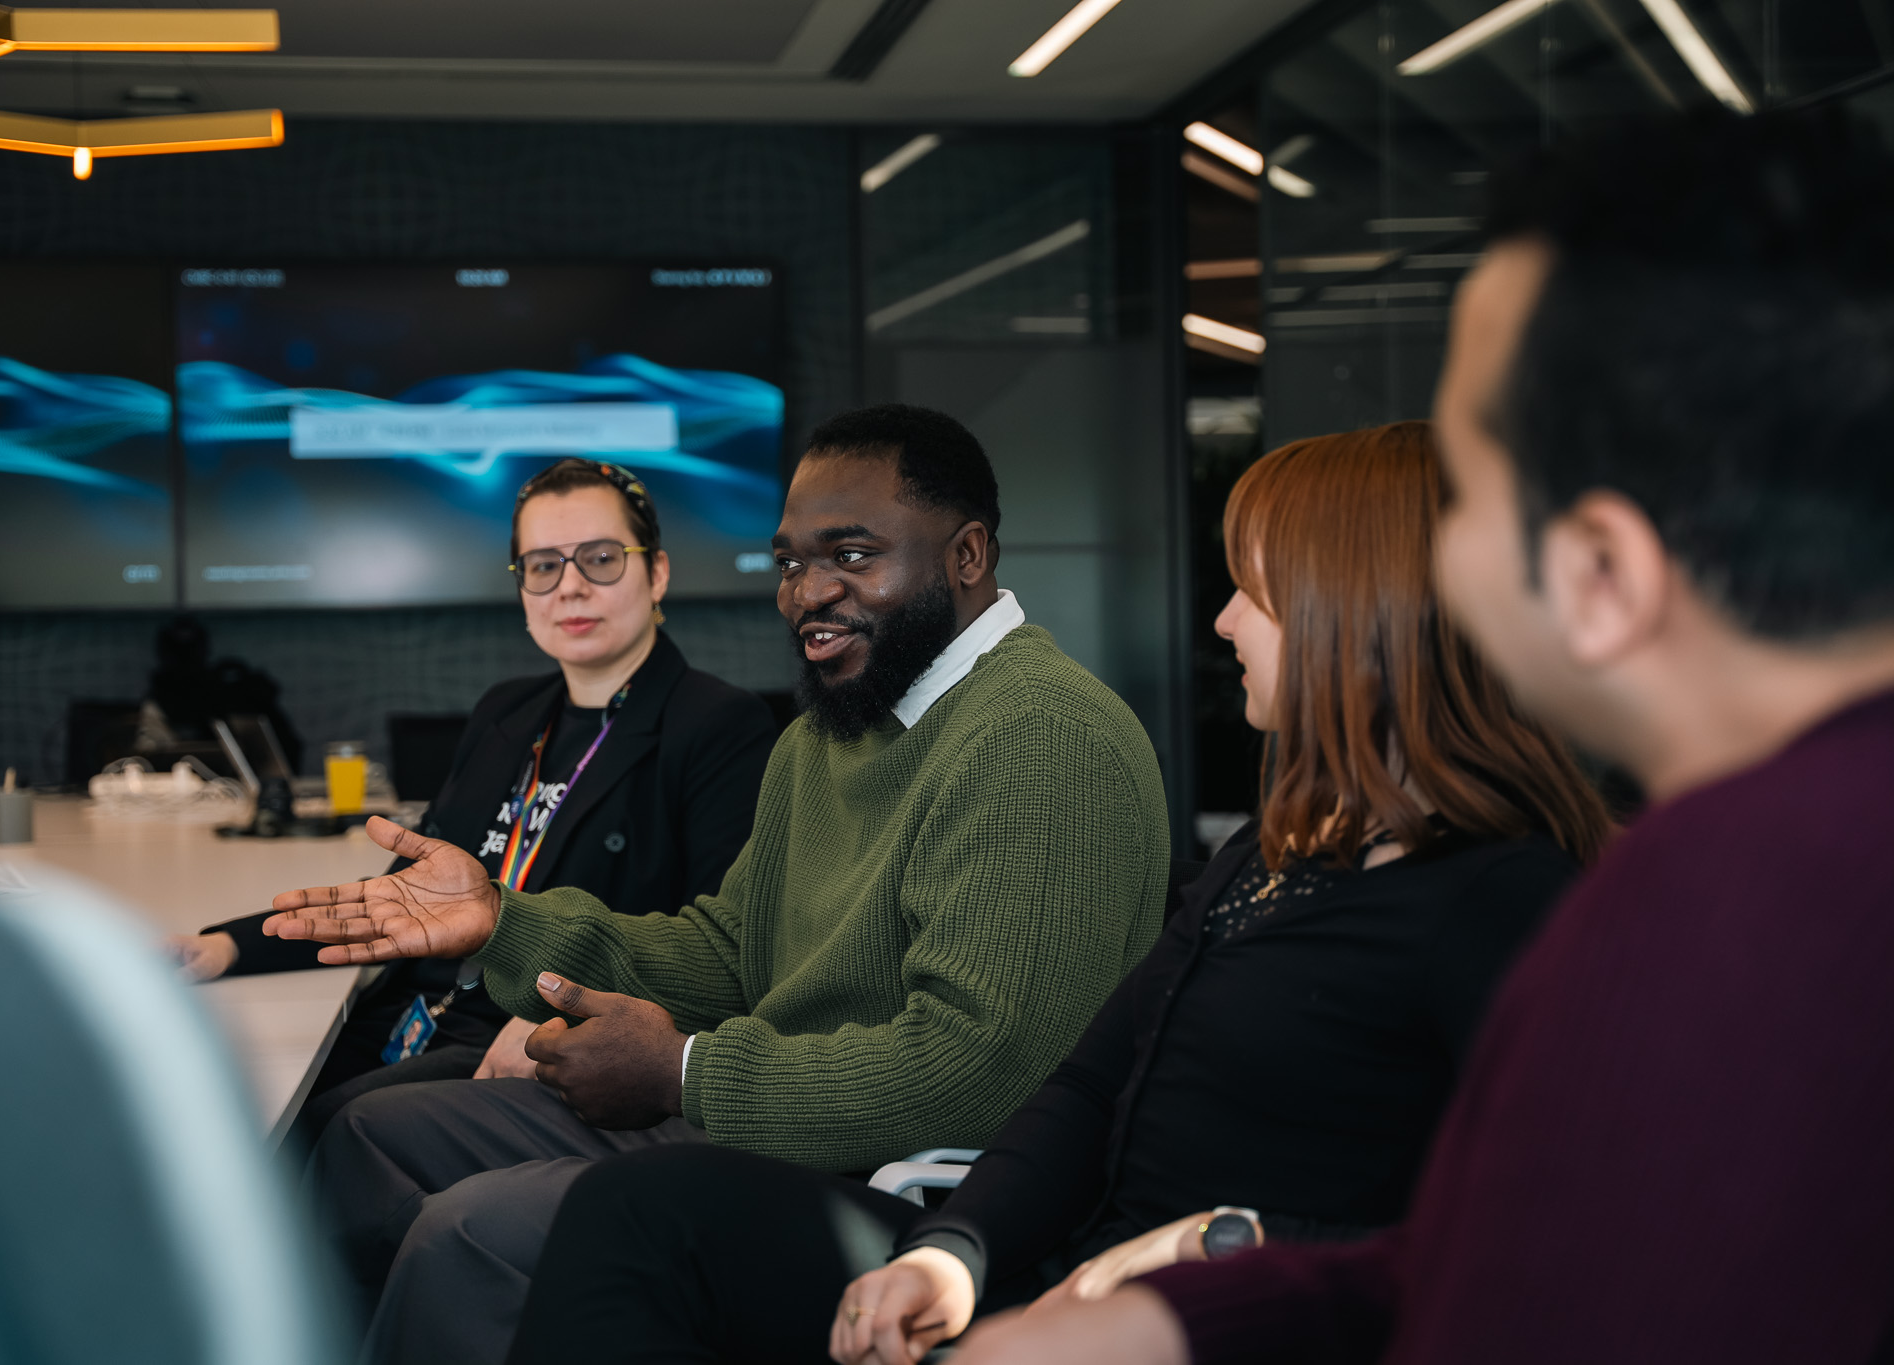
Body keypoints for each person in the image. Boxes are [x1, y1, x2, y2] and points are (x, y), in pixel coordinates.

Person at [946, 108, 1894, 1365]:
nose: (1439, 557)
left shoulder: (1726, 908)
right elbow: (1517, 1252)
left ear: (1599, 572)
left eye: (1473, 490)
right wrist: (1181, 1312)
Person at [503, 421, 1613, 1365]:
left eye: (1256, 591)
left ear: (1370, 612)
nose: (1223, 621)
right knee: (630, 1215)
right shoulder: (1269, 854)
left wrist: (1220, 1249)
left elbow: (1532, 1236)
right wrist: (956, 1256)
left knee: (626, 1216)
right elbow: (1087, 1087)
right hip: (1061, 1259)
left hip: (1189, 1313)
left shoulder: (1498, 900)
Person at [264, 404, 1173, 1365]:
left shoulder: (1044, 738)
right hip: (767, 1119)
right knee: (367, 1136)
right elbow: (732, 949)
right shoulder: (827, 734)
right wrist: (503, 922)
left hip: (906, 1192)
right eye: (789, 563)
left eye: (852, 555)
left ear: (968, 554)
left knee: (475, 1232)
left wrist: (687, 1071)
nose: (807, 593)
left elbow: (974, 1074)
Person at [169, 458, 775, 1153]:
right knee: (231, 1113)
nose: (570, 586)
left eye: (602, 558)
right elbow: (405, 895)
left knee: (307, 1141)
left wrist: (568, 1019)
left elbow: (720, 947)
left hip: (520, 1037)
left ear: (657, 572)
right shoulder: (506, 712)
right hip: (416, 1009)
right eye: (543, 566)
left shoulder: (719, 725)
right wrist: (227, 944)